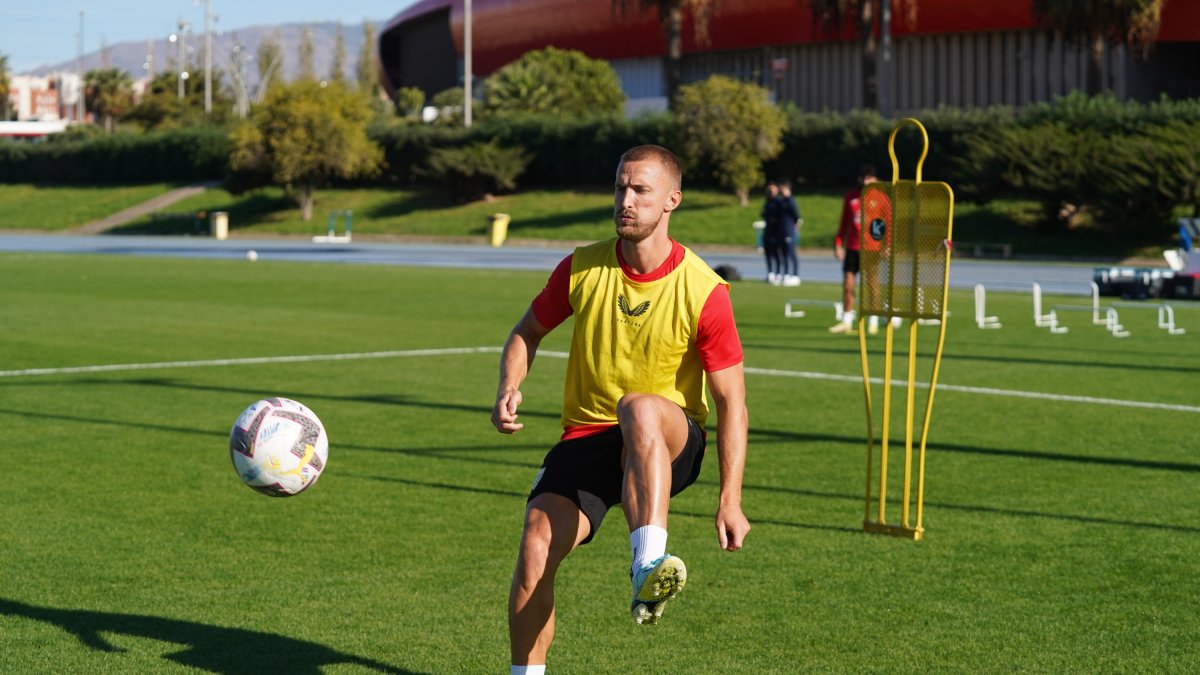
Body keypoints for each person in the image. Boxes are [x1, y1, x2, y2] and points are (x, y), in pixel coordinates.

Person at [492, 145, 751, 674]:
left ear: (672, 200)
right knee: (536, 546)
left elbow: (732, 403)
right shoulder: (582, 267)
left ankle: (648, 566)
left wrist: (730, 499)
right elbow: (527, 332)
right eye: (620, 188)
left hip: (672, 438)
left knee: (638, 408)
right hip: (587, 437)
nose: (625, 201)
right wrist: (509, 384)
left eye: (640, 191)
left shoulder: (705, 290)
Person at [831, 164, 880, 334]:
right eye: (863, 178)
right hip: (852, 247)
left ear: (875, 180)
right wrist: (838, 243)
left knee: (872, 284)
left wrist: (887, 245)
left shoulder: (881, 198)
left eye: (869, 178)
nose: (866, 182)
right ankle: (846, 320)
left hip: (872, 249)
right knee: (848, 284)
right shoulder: (851, 197)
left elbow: (888, 224)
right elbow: (844, 223)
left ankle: (873, 320)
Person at [776, 181, 802, 286]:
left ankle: (795, 275)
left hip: (789, 231)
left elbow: (796, 215)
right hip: (782, 231)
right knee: (783, 253)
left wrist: (794, 226)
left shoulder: (791, 201)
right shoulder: (782, 201)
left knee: (791, 253)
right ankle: (786, 274)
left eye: (783, 188)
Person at [760, 182, 783, 284]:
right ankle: (770, 273)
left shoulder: (779, 202)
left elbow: (781, 216)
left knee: (777, 254)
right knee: (768, 253)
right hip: (768, 231)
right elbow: (763, 213)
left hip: (776, 232)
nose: (771, 191)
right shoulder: (767, 201)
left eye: (773, 189)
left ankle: (778, 274)